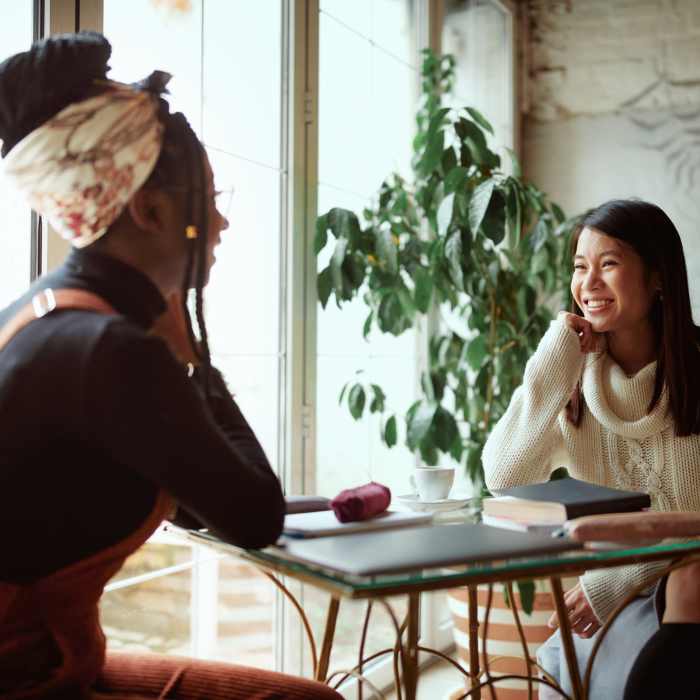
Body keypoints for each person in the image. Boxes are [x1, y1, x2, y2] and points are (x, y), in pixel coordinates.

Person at [0, 32, 342, 700]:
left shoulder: (38, 314)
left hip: (50, 659)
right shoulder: (113, 351)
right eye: (209, 199)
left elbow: (191, 500)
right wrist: (197, 365)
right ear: (149, 209)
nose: (221, 224)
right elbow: (254, 517)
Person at [482, 198, 700, 699]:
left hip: (684, 587)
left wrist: (619, 580)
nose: (589, 283)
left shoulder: (696, 372)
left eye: (609, 264)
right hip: (621, 599)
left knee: (693, 577)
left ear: (658, 278)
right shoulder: (570, 383)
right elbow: (504, 474)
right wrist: (552, 362)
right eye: (580, 267)